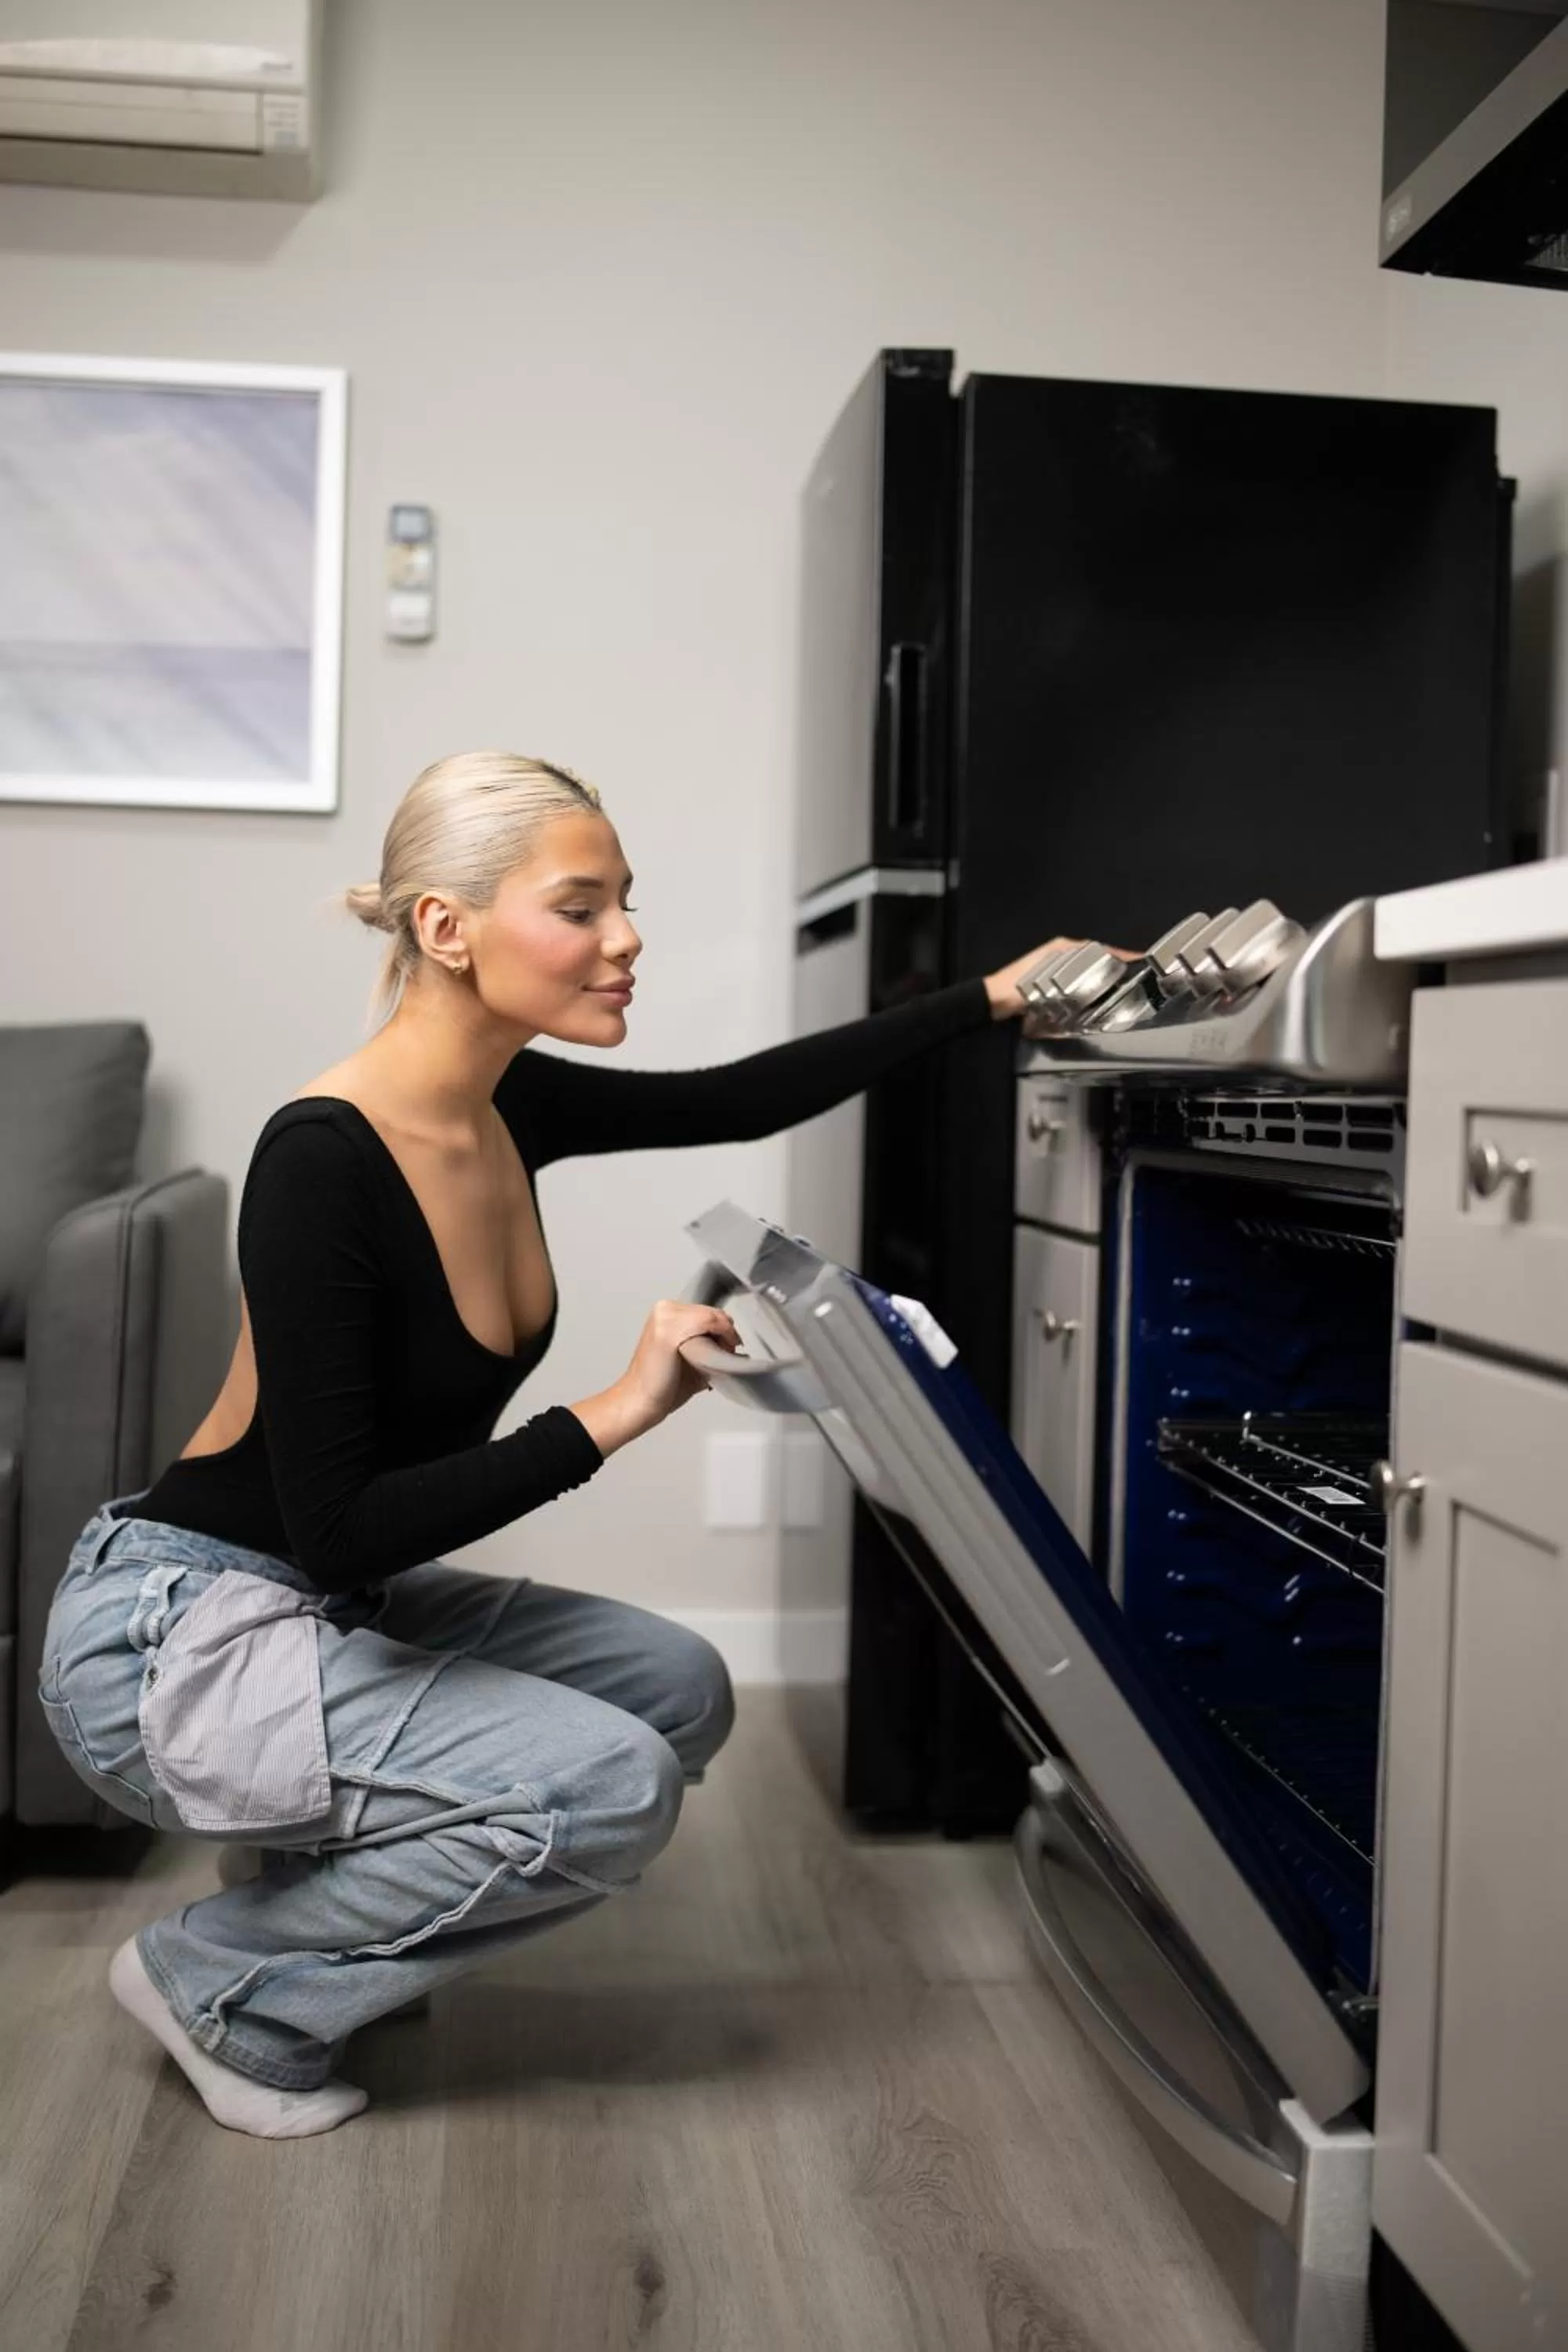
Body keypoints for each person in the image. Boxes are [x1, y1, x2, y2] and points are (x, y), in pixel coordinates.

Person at [37, 750, 1084, 2141]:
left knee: (680, 1687)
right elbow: (344, 1523)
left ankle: (305, 1919)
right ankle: (222, 1981)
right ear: (446, 927)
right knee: (610, 1781)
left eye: (623, 902)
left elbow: (742, 1097)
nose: (627, 938)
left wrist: (998, 996)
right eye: (582, 906)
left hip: (318, 1603)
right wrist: (613, 1410)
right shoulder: (325, 1159)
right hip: (174, 1641)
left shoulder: (510, 1102)